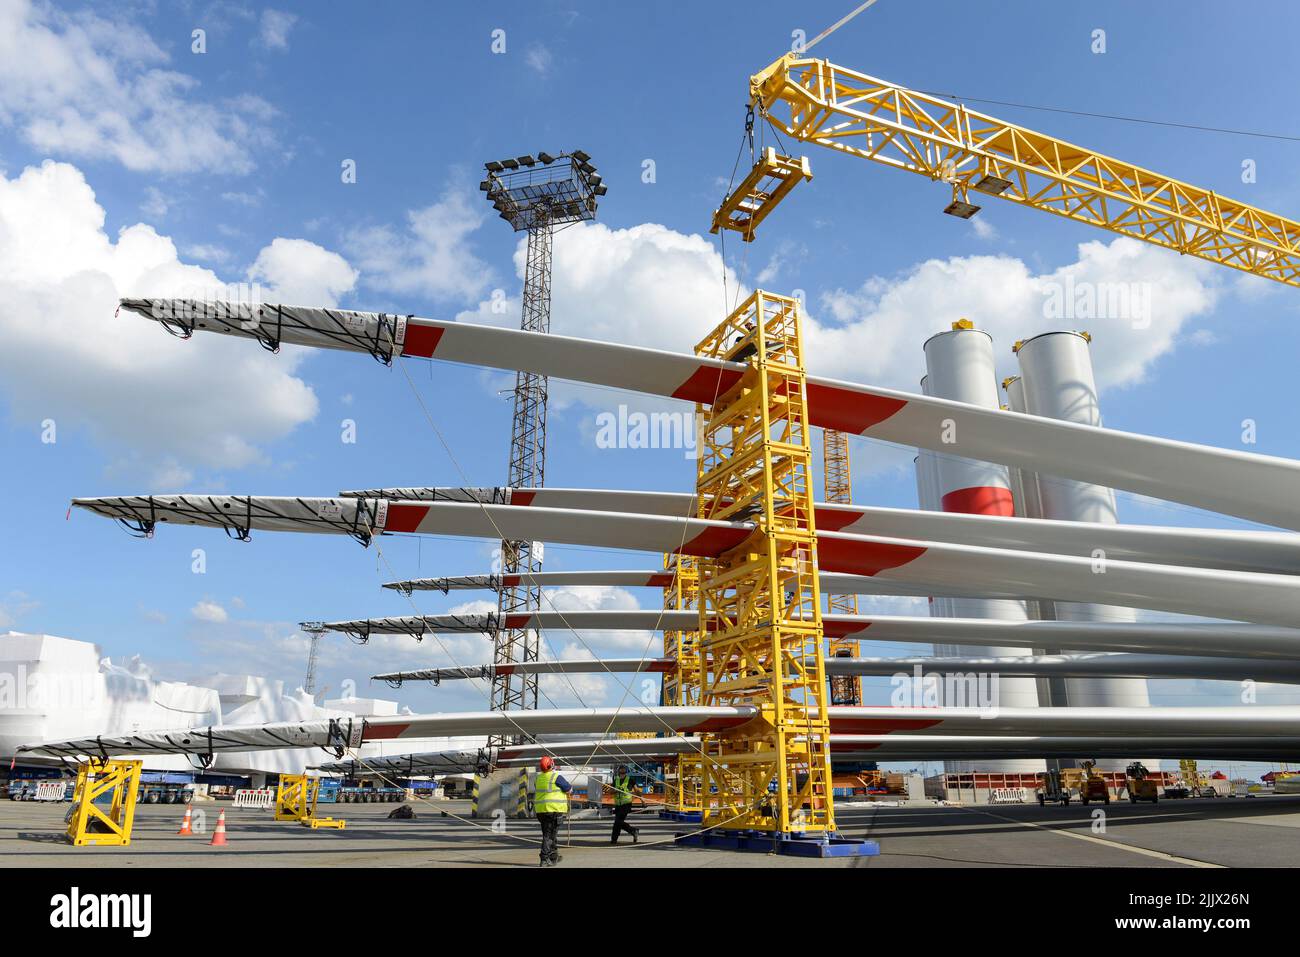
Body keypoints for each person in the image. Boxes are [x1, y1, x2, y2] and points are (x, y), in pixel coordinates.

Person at [533, 755, 571, 867]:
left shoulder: (538, 778)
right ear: (552, 764)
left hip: (541, 811)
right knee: (549, 836)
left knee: (550, 835)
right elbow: (569, 789)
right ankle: (544, 859)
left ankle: (553, 857)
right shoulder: (556, 777)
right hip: (553, 811)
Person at [609, 764, 639, 845]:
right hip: (618, 805)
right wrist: (616, 790)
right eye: (621, 770)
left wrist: (639, 798)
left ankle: (614, 839)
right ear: (618, 771)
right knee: (618, 822)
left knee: (618, 822)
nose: (622, 772)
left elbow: (637, 791)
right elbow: (610, 791)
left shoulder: (630, 780)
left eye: (623, 770)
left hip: (626, 804)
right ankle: (633, 831)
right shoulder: (616, 780)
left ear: (626, 771)